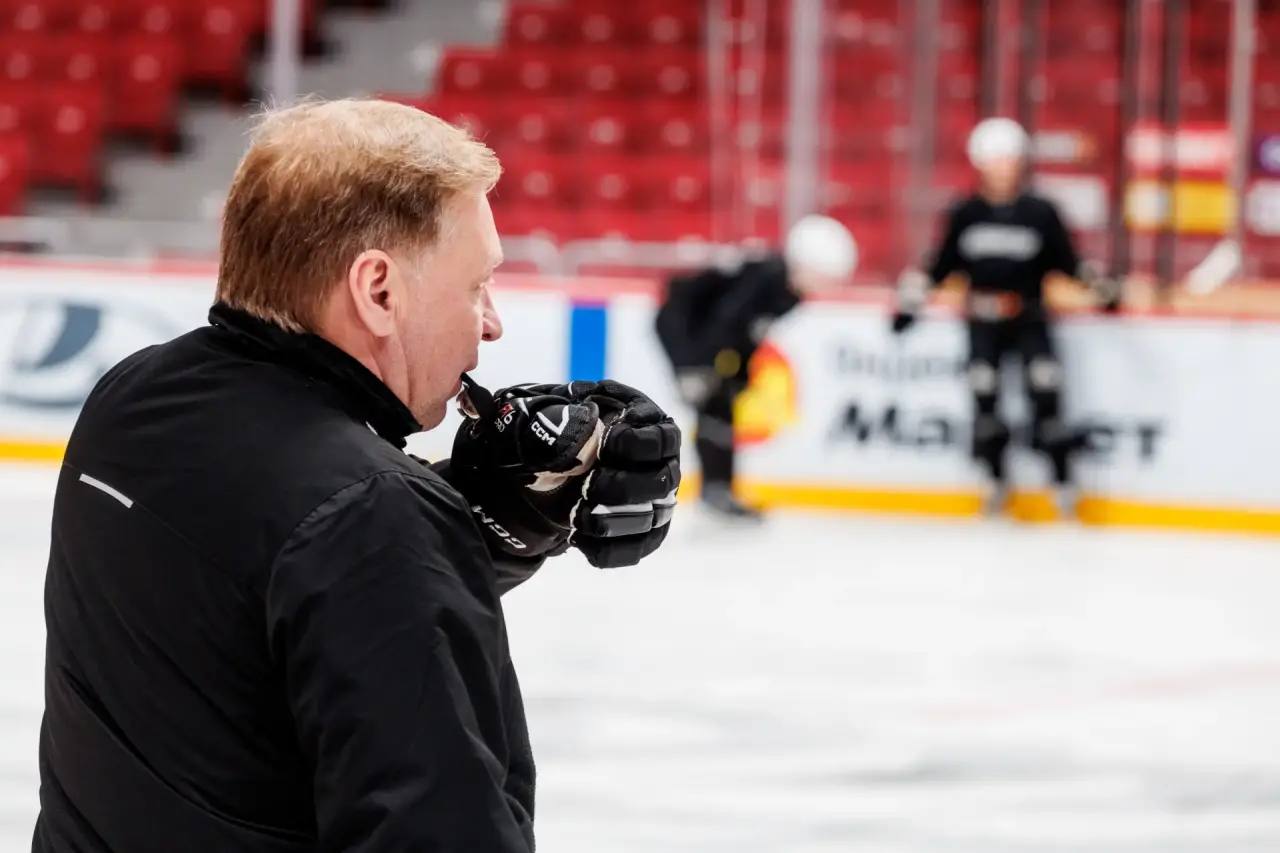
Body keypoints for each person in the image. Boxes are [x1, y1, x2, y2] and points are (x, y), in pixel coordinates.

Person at [32, 99, 681, 853]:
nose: (491, 321)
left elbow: (264, 584)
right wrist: (425, 527)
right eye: (476, 284)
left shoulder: (133, 396)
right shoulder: (370, 513)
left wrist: (483, 519)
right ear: (378, 291)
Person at [891, 117, 1119, 516]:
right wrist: (912, 301)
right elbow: (942, 265)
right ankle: (994, 481)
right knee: (985, 401)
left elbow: (1067, 262)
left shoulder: (1040, 212)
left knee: (1046, 395)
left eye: (1009, 159)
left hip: (1029, 318)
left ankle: (1062, 484)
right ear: (980, 163)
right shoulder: (966, 213)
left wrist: (1099, 288)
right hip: (982, 324)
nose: (1003, 168)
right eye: (996, 159)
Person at [655, 215, 857, 520]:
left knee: (721, 406)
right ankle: (715, 490)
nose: (823, 286)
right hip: (684, 328)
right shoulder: (767, 277)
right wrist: (695, 365)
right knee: (713, 405)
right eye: (823, 277)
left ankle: (719, 489)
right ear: (805, 265)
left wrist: (741, 372)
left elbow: (749, 331)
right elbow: (723, 319)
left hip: (703, 333)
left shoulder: (789, 292)